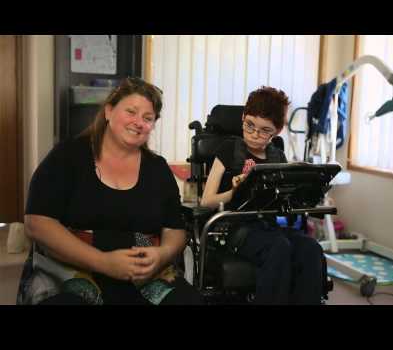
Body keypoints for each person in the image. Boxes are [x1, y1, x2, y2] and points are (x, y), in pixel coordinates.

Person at [17, 77, 203, 305]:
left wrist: (162, 254)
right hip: (72, 268)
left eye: (148, 118)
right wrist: (103, 262)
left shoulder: (158, 168)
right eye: (131, 112)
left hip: (143, 274)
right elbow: (37, 223)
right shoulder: (67, 156)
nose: (139, 122)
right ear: (108, 111)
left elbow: (175, 229)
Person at [201, 86, 327, 305]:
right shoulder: (228, 150)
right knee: (278, 247)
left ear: (276, 131)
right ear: (243, 117)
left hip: (268, 228)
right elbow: (206, 200)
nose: (254, 134)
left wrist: (305, 191)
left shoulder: (277, 156)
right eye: (249, 125)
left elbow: (285, 202)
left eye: (264, 130)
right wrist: (233, 192)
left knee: (310, 248)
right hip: (234, 229)